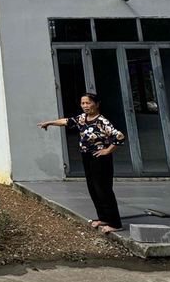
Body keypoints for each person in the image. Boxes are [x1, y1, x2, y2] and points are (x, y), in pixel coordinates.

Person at [39, 93, 125, 234]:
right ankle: (103, 218)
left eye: (88, 103)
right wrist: (49, 123)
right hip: (87, 157)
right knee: (93, 189)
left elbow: (119, 136)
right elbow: (67, 121)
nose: (85, 106)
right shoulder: (82, 118)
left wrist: (107, 150)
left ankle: (115, 223)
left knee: (104, 189)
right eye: (83, 103)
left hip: (100, 158)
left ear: (96, 104)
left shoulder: (102, 121)